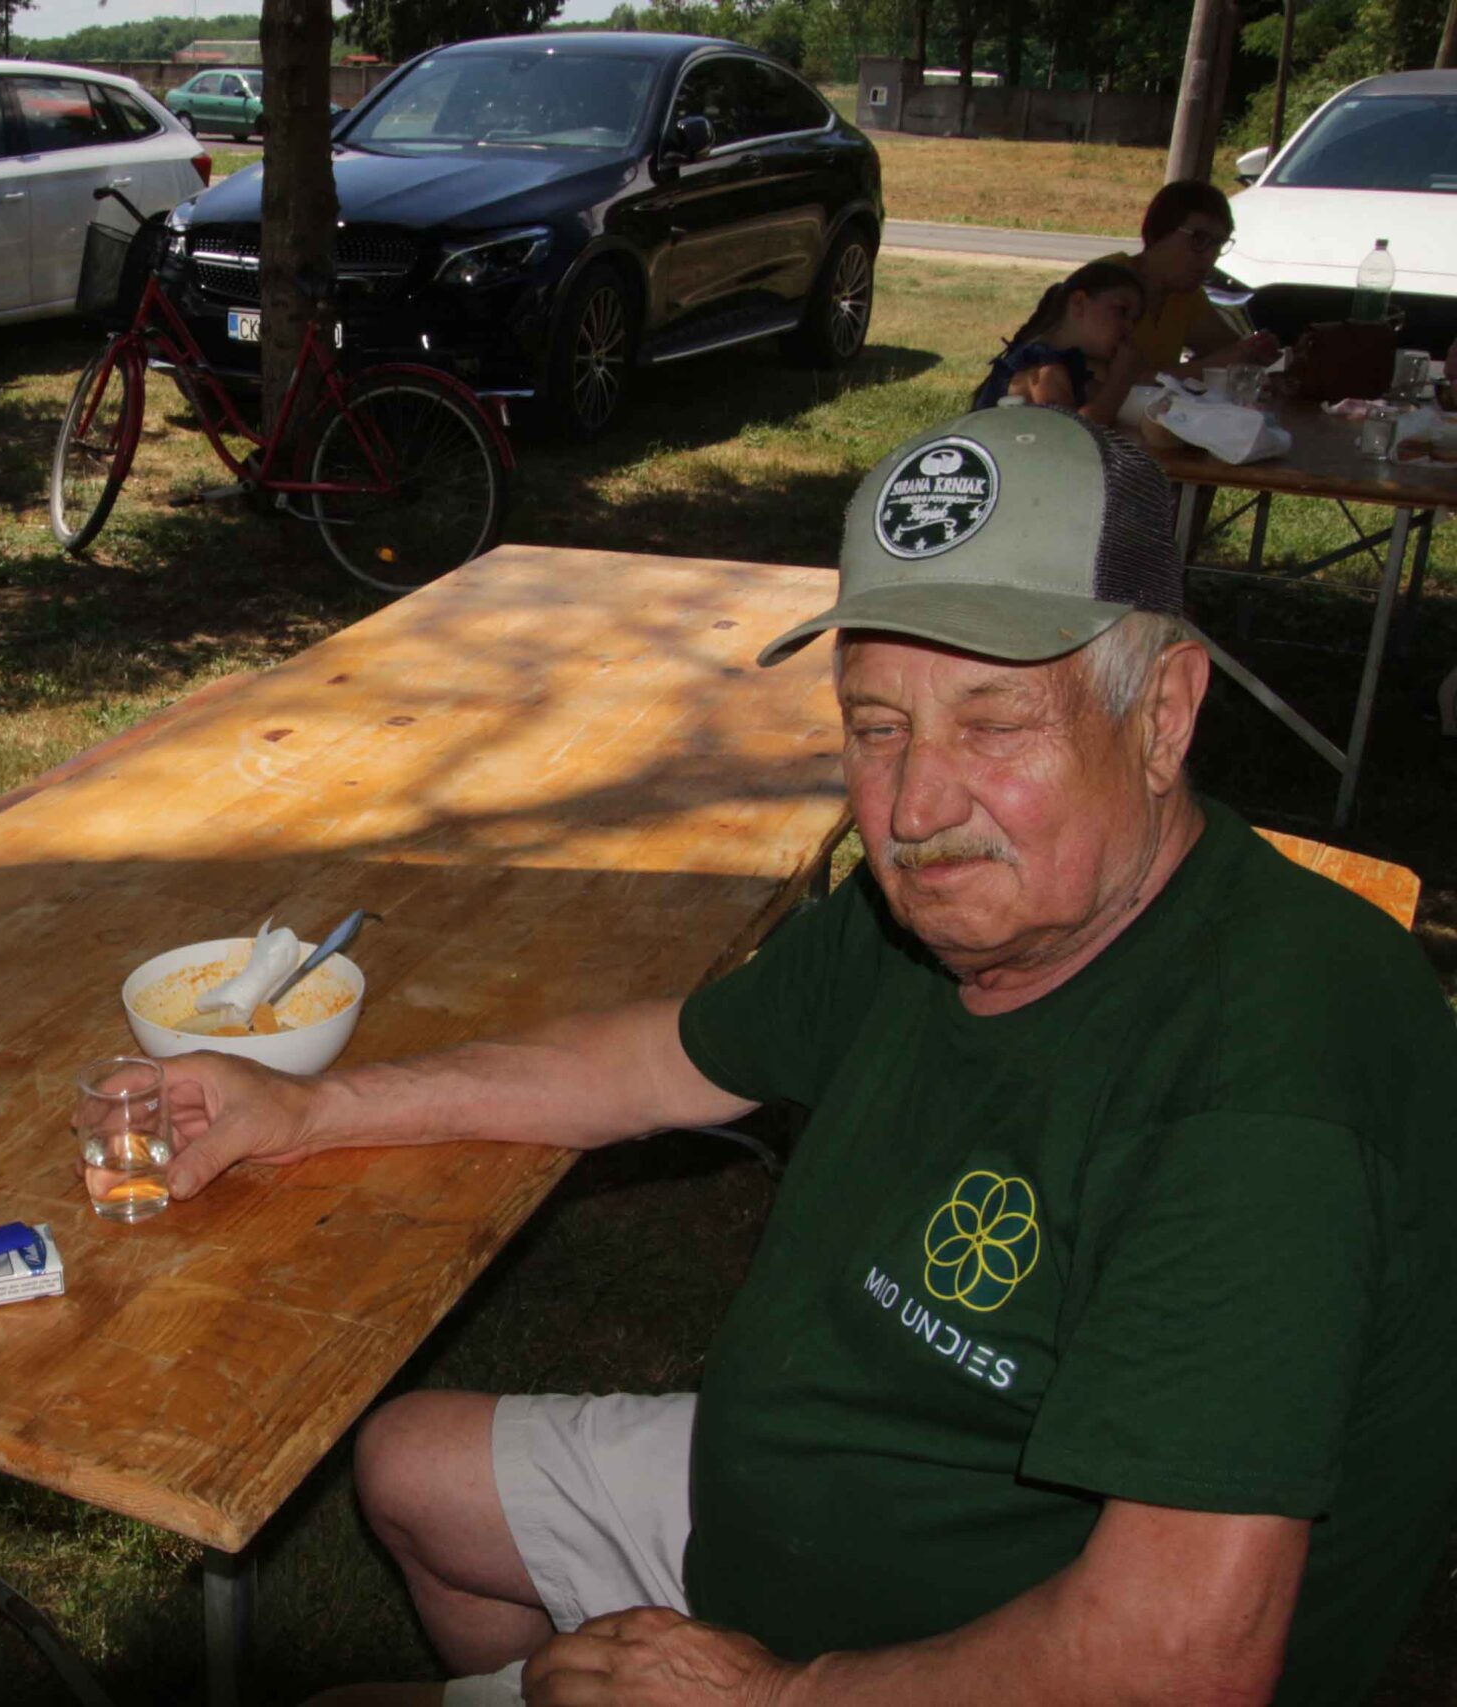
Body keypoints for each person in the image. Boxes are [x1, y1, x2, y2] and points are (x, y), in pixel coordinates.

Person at [159, 409, 1457, 1707]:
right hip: (832, 1496)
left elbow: (1177, 1655)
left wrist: (775, 1692)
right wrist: (307, 1105)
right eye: (876, 724)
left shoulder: (1263, 1088)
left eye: (995, 721)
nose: (914, 809)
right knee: (409, 1465)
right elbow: (658, 1059)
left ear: (1164, 714)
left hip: (971, 1653)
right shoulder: (955, 915)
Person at [1108, 179, 1282, 378]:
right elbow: (1104, 383)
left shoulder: (1185, 297)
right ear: (1161, 230)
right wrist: (1214, 364)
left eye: (1218, 244)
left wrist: (1258, 353)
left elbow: (1228, 349)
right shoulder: (1106, 284)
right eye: (1200, 239)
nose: (1209, 256)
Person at [970, 258, 1144, 424]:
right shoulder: (1043, 370)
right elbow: (1076, 437)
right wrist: (1120, 380)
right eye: (1121, 311)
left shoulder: (1074, 370)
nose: (1129, 328)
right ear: (1079, 303)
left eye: (1134, 321)